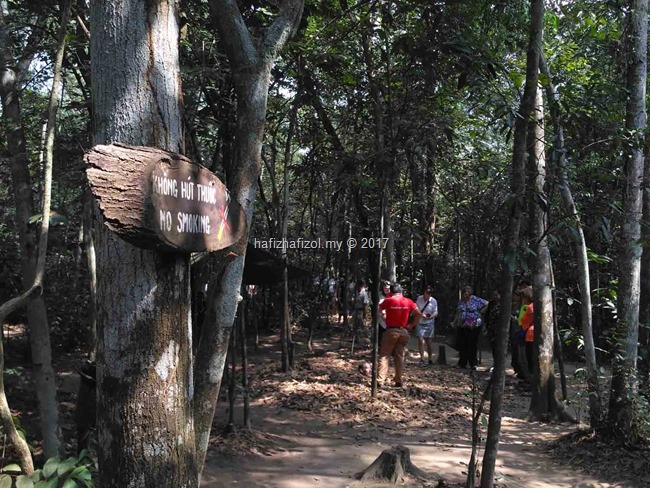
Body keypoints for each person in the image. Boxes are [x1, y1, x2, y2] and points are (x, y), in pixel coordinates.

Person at [378, 283, 422, 387]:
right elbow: (418, 314)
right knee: (399, 356)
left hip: (391, 330)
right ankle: (398, 380)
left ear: (391, 292)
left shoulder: (388, 300)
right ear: (401, 292)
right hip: (403, 331)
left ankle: (380, 380)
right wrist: (412, 325)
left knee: (384, 355)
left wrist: (384, 316)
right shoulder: (408, 301)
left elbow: (379, 310)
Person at [453, 285, 488, 370]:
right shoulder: (461, 302)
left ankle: (473, 363)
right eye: (464, 292)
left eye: (466, 292)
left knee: (472, 344)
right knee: (462, 344)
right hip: (462, 325)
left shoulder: (475, 299)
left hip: (473, 324)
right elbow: (458, 312)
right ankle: (462, 363)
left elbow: (487, 303)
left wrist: (481, 311)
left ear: (469, 293)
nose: (465, 294)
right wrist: (454, 322)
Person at [415, 285, 438, 365]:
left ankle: (430, 358)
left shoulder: (433, 301)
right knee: (421, 341)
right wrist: (421, 314)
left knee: (429, 342)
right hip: (420, 321)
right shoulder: (419, 299)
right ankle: (422, 358)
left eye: (429, 293)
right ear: (424, 292)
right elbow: (416, 308)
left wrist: (430, 316)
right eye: (427, 293)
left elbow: (435, 312)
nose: (428, 294)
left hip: (429, 323)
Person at [518, 286, 534, 376]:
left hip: (531, 336)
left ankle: (532, 382)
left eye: (523, 297)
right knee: (528, 359)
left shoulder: (531, 308)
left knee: (530, 360)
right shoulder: (528, 307)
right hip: (528, 335)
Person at [377, 280, 391, 345]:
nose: (387, 290)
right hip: (381, 318)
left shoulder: (392, 295)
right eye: (385, 288)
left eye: (388, 288)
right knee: (381, 334)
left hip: (391, 319)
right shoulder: (379, 295)